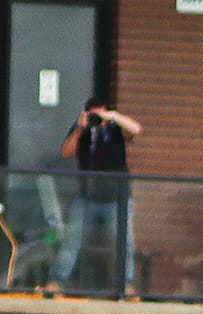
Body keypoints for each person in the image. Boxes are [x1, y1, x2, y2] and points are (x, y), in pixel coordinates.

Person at [50, 97, 141, 291]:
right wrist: (80, 128)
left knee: (124, 242)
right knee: (71, 240)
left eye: (99, 113)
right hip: (87, 197)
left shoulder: (115, 128)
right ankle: (57, 281)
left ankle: (127, 284)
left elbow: (136, 130)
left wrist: (112, 117)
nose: (97, 119)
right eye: (93, 114)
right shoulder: (82, 129)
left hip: (116, 198)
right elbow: (66, 152)